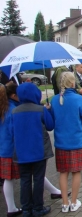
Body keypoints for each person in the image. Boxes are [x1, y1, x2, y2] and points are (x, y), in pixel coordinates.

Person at [12, 82, 54, 216]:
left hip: (21, 152)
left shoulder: (14, 111)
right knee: (38, 179)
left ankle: (26, 209)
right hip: (39, 151)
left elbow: (10, 131)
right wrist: (48, 110)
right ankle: (37, 208)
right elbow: (50, 125)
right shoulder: (40, 110)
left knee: (24, 180)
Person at [50, 72, 82, 212]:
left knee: (63, 172)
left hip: (61, 142)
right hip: (77, 141)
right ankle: (74, 202)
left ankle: (64, 203)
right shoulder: (79, 99)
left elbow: (51, 123)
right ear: (73, 83)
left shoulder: (54, 100)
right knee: (76, 172)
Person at [0, 83, 22, 217]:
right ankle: (11, 208)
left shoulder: (4, 109)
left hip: (3, 148)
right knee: (31, 171)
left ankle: (11, 207)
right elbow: (14, 131)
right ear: (13, 95)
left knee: (8, 179)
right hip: (11, 148)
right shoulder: (12, 110)